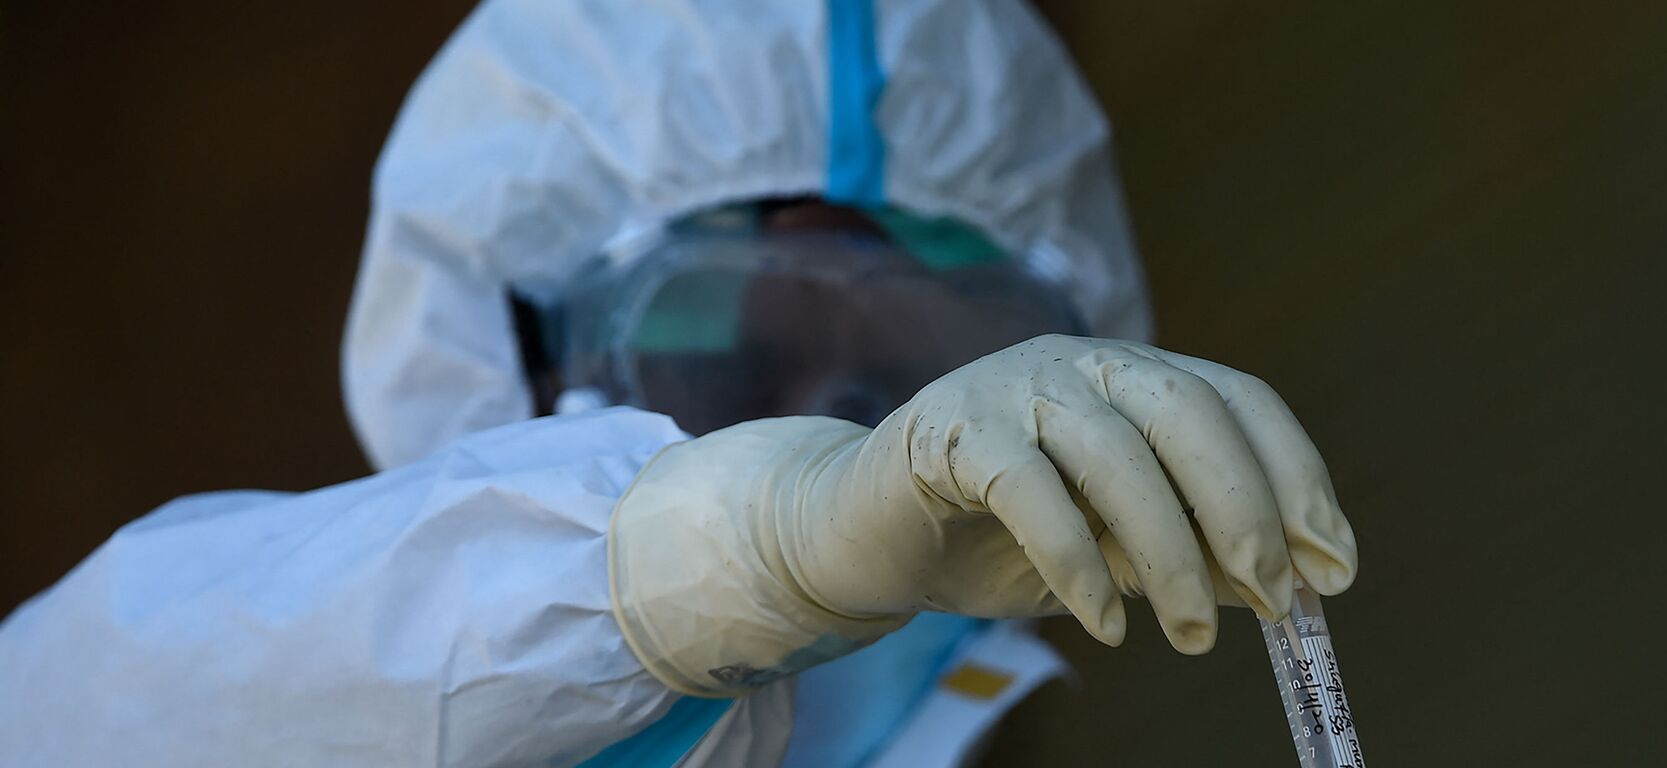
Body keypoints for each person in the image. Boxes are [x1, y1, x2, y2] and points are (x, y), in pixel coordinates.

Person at [0, 0, 1359, 765]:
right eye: (726, 354)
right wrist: (731, 552)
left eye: (929, 369)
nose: (858, 443)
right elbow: (85, 714)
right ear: (512, 364)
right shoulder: (288, 689)